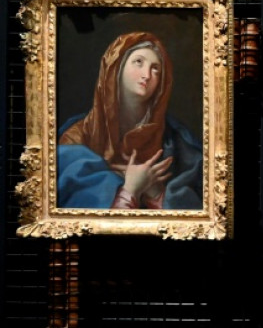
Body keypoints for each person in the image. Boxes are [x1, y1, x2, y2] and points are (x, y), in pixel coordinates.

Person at [57, 31, 203, 210]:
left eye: (155, 68)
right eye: (138, 62)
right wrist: (131, 190)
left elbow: (195, 218)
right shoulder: (75, 141)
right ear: (116, 67)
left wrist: (156, 192)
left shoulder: (178, 145)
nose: (147, 75)